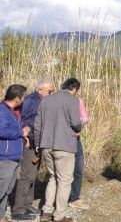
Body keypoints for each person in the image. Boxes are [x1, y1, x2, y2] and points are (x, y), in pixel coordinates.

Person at [35, 78, 83, 222]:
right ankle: (59, 215)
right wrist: (80, 127)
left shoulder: (46, 100)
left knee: (53, 178)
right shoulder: (72, 100)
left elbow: (38, 125)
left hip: (46, 145)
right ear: (74, 88)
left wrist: (38, 144)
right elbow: (76, 123)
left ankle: (46, 212)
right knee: (65, 181)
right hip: (64, 146)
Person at [12, 81, 55, 221]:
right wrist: (29, 138)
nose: (51, 94)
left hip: (37, 143)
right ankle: (18, 209)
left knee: (32, 175)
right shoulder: (32, 100)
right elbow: (24, 121)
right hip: (30, 144)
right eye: (49, 91)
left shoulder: (40, 100)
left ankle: (27, 205)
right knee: (26, 176)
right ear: (40, 90)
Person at [0, 84, 30, 222]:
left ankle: (1, 215)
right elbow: (1, 131)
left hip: (13, 156)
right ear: (17, 98)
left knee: (7, 189)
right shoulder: (2, 111)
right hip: (5, 157)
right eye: (23, 96)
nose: (24, 99)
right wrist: (21, 132)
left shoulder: (12, 111)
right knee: (1, 188)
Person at [68, 95, 90, 210]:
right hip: (67, 140)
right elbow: (85, 118)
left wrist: (79, 123)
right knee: (72, 170)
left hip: (74, 139)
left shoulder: (77, 100)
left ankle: (74, 197)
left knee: (77, 169)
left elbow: (85, 118)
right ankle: (71, 198)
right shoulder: (75, 100)